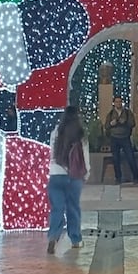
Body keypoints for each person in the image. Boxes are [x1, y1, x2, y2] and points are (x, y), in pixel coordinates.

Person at [47, 106, 88, 255]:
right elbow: (85, 157)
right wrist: (86, 175)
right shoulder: (80, 134)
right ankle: (76, 240)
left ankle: (53, 236)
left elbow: (52, 154)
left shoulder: (55, 133)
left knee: (57, 208)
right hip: (73, 176)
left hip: (56, 175)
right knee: (73, 209)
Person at [106, 97, 138, 184]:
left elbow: (133, 123)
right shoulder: (110, 114)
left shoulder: (128, 112)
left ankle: (136, 177)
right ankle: (118, 178)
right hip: (114, 138)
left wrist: (125, 122)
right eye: (116, 102)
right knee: (116, 159)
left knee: (130, 157)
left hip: (125, 138)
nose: (118, 103)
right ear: (114, 103)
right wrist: (111, 124)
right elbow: (106, 126)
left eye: (120, 102)